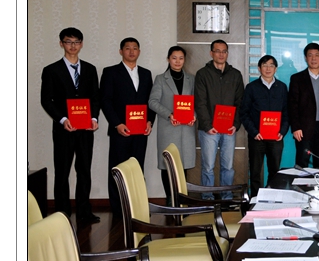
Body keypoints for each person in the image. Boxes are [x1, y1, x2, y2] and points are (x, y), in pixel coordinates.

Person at [40, 27, 101, 223]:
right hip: (63, 130)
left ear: (81, 44)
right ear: (61, 44)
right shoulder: (51, 70)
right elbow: (46, 100)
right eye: (68, 42)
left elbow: (95, 97)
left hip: (85, 129)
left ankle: (84, 212)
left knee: (84, 171)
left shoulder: (90, 69)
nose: (72, 46)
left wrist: (94, 119)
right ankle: (62, 213)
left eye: (76, 42)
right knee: (62, 171)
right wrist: (62, 119)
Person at [100, 37, 155, 217]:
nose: (131, 51)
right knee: (118, 169)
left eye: (135, 48)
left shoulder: (146, 74)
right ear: (121, 51)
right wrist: (117, 123)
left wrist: (150, 121)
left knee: (137, 169)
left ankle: (137, 206)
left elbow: (150, 101)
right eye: (127, 48)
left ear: (139, 51)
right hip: (121, 130)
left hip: (140, 131)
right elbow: (105, 101)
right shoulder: (110, 72)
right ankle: (118, 209)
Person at [194, 39, 244, 200]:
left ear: (227, 54)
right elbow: (200, 102)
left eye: (224, 51)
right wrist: (207, 125)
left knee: (228, 167)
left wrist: (236, 124)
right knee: (208, 166)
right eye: (217, 51)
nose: (221, 54)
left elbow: (240, 102)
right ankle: (207, 198)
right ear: (211, 53)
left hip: (229, 129)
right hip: (209, 129)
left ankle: (226, 197)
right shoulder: (202, 74)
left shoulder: (235, 74)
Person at [148, 45, 197, 205]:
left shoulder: (191, 79)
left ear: (185, 60)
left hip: (186, 129)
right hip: (169, 128)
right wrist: (169, 114)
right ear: (168, 59)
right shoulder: (161, 79)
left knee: (184, 166)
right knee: (167, 165)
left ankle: (181, 200)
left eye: (181, 58)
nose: (177, 61)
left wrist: (194, 116)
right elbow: (152, 102)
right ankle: (170, 200)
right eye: (174, 58)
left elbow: (196, 102)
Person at [240, 55, 289, 197]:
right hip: (257, 137)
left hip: (276, 137)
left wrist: (282, 131)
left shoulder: (282, 87)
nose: (268, 68)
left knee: (275, 171)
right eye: (265, 65)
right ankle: (255, 200)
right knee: (255, 172)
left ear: (276, 69)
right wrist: (254, 132)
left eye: (271, 65)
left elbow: (287, 113)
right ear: (259, 68)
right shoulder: (251, 87)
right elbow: (244, 113)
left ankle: (272, 199)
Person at [288, 42, 319, 168]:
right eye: (310, 55)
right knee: (302, 162)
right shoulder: (297, 78)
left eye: (317, 55)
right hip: (303, 128)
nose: (313, 58)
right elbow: (292, 105)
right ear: (305, 58)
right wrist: (295, 127)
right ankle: (301, 182)